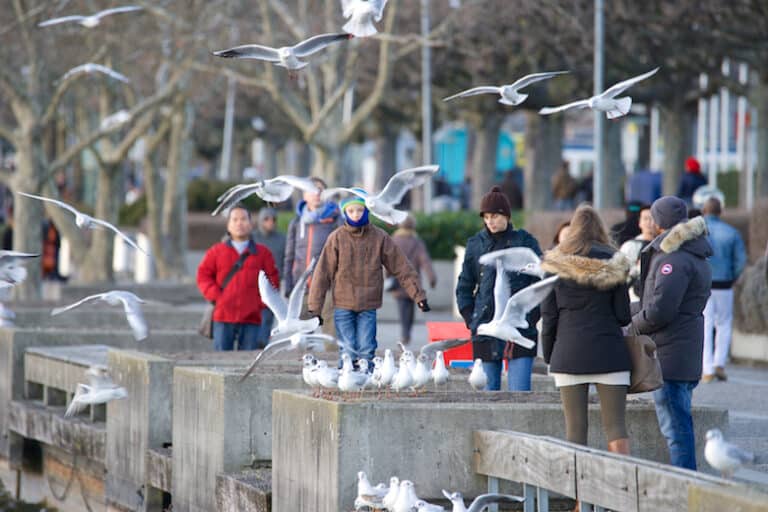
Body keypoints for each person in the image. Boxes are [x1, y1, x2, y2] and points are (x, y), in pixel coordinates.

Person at [540, 205, 632, 455]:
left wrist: (550, 356)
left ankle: (579, 495)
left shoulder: (555, 265)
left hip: (568, 354)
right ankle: (622, 487)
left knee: (576, 430)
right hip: (609, 353)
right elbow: (624, 316)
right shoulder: (616, 262)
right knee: (616, 427)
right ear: (600, 229)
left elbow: (548, 317)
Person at [631, 196, 712, 470]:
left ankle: (685, 491)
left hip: (670, 357)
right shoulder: (690, 252)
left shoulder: (673, 259)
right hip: (682, 352)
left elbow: (660, 311)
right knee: (679, 427)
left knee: (676, 433)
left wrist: (630, 327)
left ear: (659, 222)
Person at [308, 192, 429, 368]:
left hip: (368, 304)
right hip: (343, 304)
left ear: (367, 211)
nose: (355, 214)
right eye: (351, 211)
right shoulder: (336, 237)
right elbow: (322, 273)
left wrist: (418, 295)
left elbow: (401, 266)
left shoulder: (379, 237)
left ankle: (366, 383)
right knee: (347, 350)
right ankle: (348, 385)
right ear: (345, 213)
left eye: (359, 210)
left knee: (366, 349)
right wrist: (314, 308)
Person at [456, 186, 542, 391]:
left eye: (494, 216)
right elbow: (464, 285)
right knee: (487, 395)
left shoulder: (525, 241)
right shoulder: (475, 243)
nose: (490, 221)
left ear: (506, 215)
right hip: (485, 328)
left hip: (520, 329)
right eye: (486, 217)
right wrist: (471, 318)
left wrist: (531, 317)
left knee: (520, 393)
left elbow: (540, 283)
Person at [197, 204, 279, 351]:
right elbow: (203, 275)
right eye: (235, 220)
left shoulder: (263, 253)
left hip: (252, 318)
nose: (239, 223)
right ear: (228, 225)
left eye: (243, 219)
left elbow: (273, 281)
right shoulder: (216, 251)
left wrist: (259, 303)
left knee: (248, 363)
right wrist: (216, 296)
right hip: (223, 316)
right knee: (222, 363)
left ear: (251, 224)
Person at [283, 177, 342, 335]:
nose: (316, 193)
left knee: (332, 340)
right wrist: (288, 283)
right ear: (304, 195)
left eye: (320, 190)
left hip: (328, 288)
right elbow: (289, 256)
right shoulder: (296, 222)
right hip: (302, 287)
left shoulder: (336, 220)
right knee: (302, 341)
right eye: (311, 190)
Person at [700, 197, 746, 383]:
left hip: (704, 284)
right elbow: (740, 261)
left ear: (704, 210)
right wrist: (733, 276)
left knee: (705, 323)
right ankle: (720, 363)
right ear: (721, 211)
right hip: (725, 284)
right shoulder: (732, 232)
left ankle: (707, 368)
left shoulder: (700, 232)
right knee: (724, 323)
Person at [387, 215, 437, 345]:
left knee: (403, 307)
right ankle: (407, 332)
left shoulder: (394, 240)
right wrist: (432, 277)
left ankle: (405, 333)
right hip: (414, 282)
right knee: (410, 308)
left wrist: (387, 275)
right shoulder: (417, 242)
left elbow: (389, 260)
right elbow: (425, 261)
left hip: (398, 281)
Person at [252, 206, 287, 346]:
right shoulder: (252, 238)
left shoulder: (282, 239)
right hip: (252, 287)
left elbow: (286, 259)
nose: (270, 222)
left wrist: (283, 276)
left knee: (267, 318)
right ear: (260, 221)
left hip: (272, 285)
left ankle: (262, 343)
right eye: (266, 219)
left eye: (273, 219)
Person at [619, 204, 657, 302]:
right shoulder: (629, 246)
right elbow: (620, 275)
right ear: (639, 222)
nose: (649, 222)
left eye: (652, 219)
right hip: (634, 299)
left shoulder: (665, 245)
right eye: (645, 219)